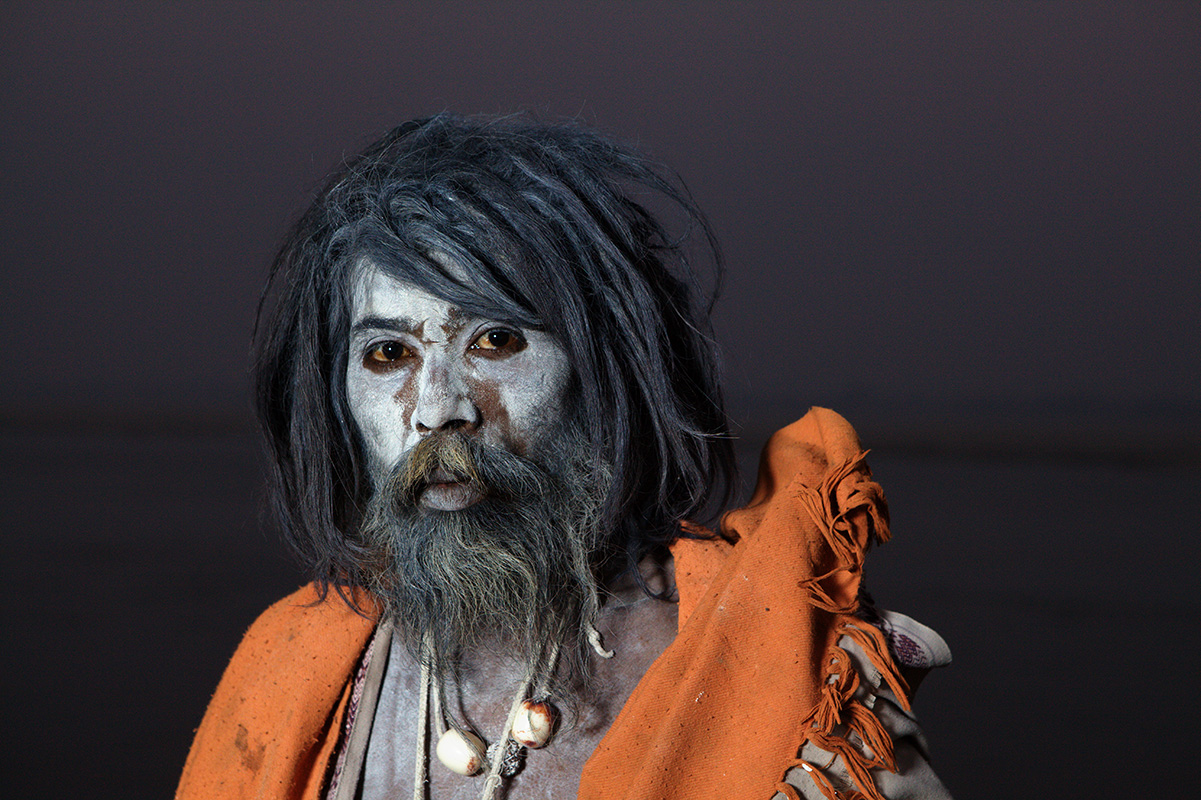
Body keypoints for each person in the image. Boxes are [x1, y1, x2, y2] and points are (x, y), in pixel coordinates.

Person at [177, 114, 953, 800]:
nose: (439, 407)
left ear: (604, 367)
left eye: (496, 339)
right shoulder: (286, 668)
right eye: (387, 353)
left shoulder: (776, 682)